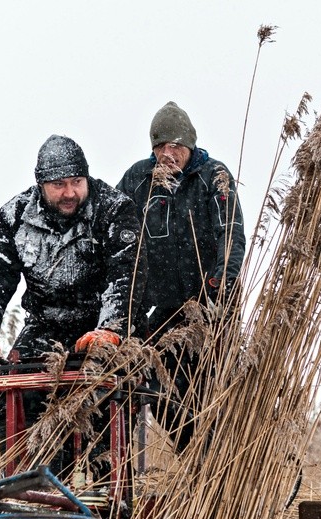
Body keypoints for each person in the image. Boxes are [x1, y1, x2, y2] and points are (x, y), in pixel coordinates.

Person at [0, 134, 147, 481]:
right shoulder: (16, 215)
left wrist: (111, 328)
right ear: (41, 184)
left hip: (102, 325)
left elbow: (128, 273)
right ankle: (26, 485)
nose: (70, 192)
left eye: (77, 182)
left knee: (104, 399)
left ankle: (105, 490)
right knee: (16, 388)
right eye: (59, 185)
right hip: (46, 324)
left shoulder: (114, 209)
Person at [117, 101, 246, 450]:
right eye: (160, 146)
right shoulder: (137, 180)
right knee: (159, 389)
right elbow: (117, 235)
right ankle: (190, 450)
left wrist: (221, 288)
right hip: (163, 311)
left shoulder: (213, 178)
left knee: (212, 394)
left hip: (210, 307)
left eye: (175, 145)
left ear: (190, 145)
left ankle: (214, 461)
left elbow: (231, 235)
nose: (167, 154)